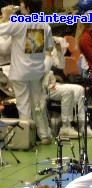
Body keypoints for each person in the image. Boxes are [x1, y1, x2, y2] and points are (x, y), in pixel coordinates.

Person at [0, 0, 53, 144]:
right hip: (37, 71)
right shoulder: (45, 25)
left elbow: (1, 30)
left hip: (20, 73)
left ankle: (28, 138)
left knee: (23, 105)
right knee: (38, 104)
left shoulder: (19, 24)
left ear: (28, 8)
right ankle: (44, 135)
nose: (20, 7)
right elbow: (48, 49)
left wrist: (5, 16)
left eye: (22, 5)